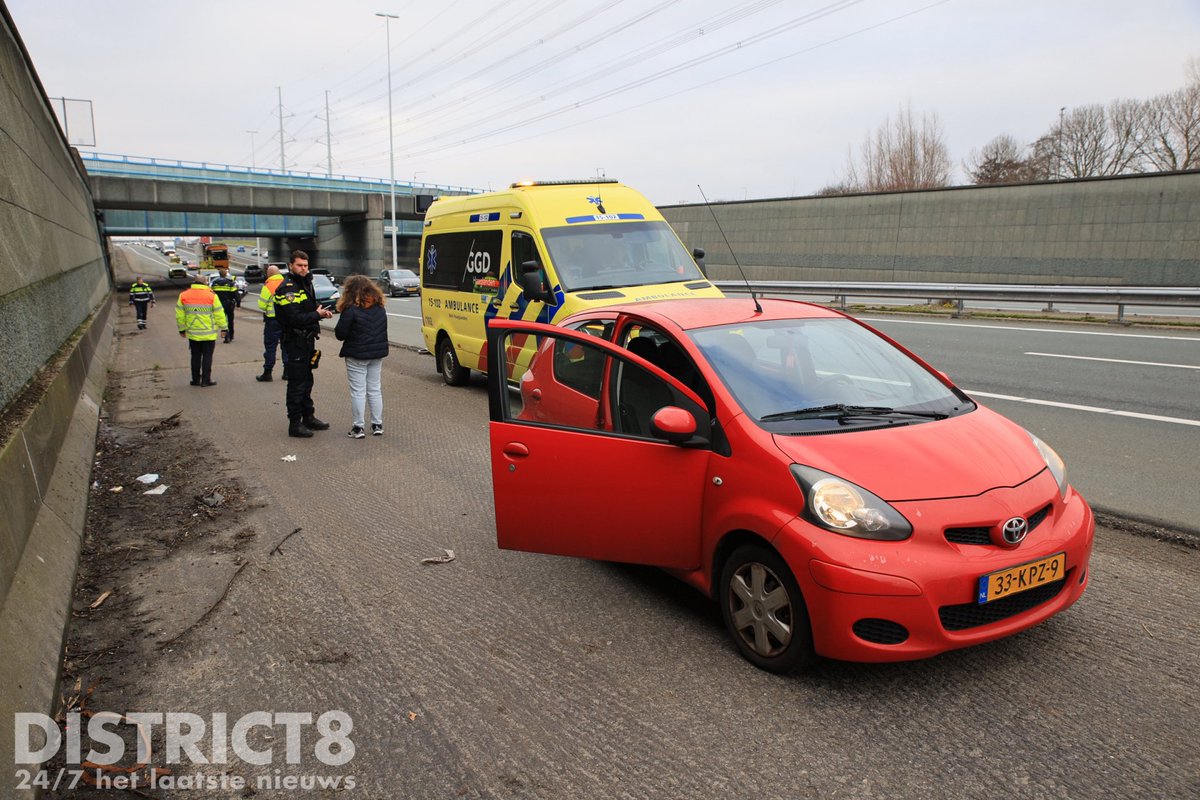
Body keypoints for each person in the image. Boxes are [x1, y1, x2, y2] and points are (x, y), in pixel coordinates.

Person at [274, 250, 334, 437]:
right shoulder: (287, 288)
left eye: (306, 266)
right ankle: (295, 423)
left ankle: (308, 416)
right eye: (300, 265)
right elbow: (294, 317)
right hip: (295, 341)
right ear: (291, 265)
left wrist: (318, 312)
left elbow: (306, 310)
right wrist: (317, 315)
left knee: (307, 381)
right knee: (297, 384)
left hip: (306, 340)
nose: (304, 268)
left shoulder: (305, 283)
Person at [334, 275, 389, 438]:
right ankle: (377, 424)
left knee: (358, 391)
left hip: (356, 354)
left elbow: (340, 334)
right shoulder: (379, 307)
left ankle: (358, 428)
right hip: (376, 354)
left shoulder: (351, 309)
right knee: (374, 389)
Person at [176, 279, 228, 387]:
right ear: (205, 283)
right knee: (207, 356)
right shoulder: (212, 295)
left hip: (193, 333)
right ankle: (206, 380)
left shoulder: (184, 295)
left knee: (195, 356)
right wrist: (224, 328)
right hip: (208, 333)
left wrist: (181, 329)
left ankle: (195, 380)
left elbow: (180, 315)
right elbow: (219, 313)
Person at [255, 265, 289, 382]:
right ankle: (287, 372)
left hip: (273, 321)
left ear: (269, 274)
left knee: (270, 347)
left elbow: (262, 305)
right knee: (286, 346)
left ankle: (268, 373)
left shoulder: (268, 286)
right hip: (287, 321)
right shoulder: (287, 283)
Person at [210, 265, 240, 343]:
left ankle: (226, 336)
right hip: (229, 304)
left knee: (222, 320)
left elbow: (211, 294)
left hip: (218, 305)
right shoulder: (230, 283)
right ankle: (231, 335)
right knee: (230, 320)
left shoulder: (214, 283)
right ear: (226, 274)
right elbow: (235, 294)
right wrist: (238, 303)